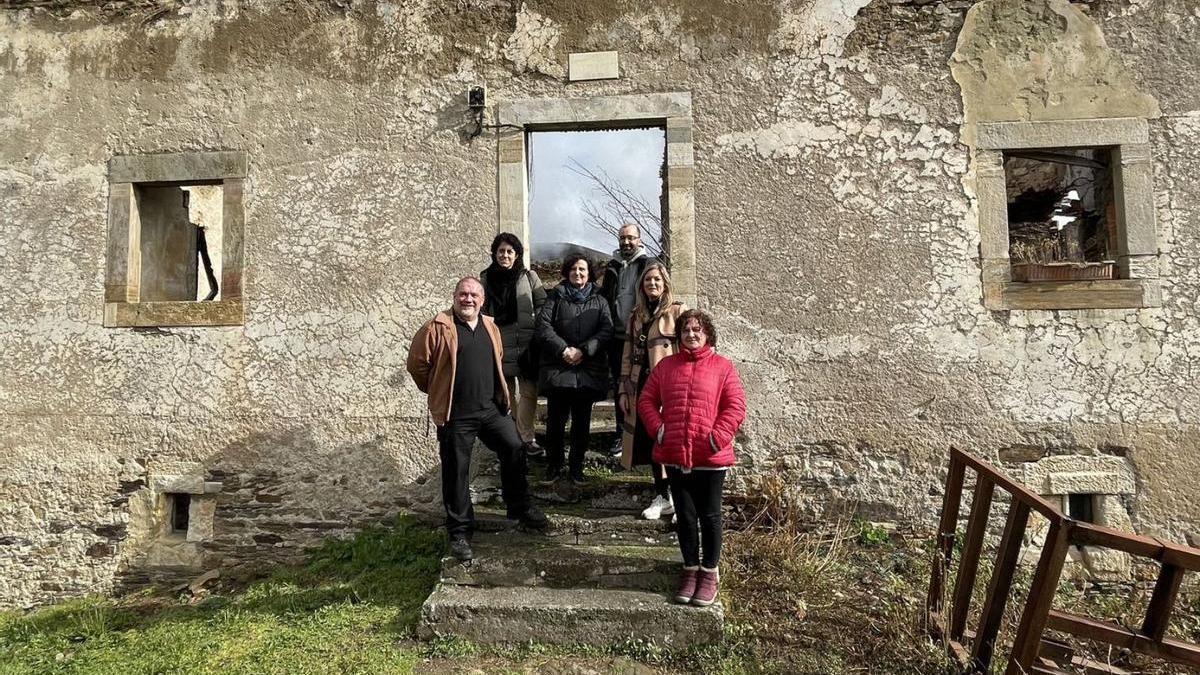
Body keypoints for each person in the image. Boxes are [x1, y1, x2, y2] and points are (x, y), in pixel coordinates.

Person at [406, 276, 547, 562]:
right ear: (454, 297)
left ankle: (518, 505)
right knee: (457, 470)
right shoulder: (439, 326)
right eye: (463, 294)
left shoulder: (490, 326)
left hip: (489, 410)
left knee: (514, 446)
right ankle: (459, 531)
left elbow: (496, 361)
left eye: (473, 295)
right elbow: (416, 364)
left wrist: (502, 398)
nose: (467, 299)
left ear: (481, 300)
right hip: (456, 414)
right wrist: (437, 390)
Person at [638, 309, 746, 607]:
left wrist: (716, 438)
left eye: (697, 329)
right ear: (679, 335)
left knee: (710, 517)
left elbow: (735, 406)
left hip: (710, 457)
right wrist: (658, 430)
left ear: (707, 334)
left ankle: (709, 573)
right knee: (685, 517)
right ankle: (689, 570)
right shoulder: (666, 367)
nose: (691, 334)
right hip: (675, 455)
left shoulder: (723, 367)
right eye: (686, 330)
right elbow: (646, 400)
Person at [535, 254, 613, 483]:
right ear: (567, 272)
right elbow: (543, 326)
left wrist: (584, 350)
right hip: (559, 368)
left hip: (588, 368)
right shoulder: (556, 297)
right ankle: (554, 465)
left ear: (589, 274)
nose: (578, 273)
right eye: (574, 269)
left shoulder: (600, 300)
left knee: (582, 424)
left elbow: (606, 330)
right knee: (555, 423)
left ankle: (576, 467)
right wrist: (564, 350)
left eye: (582, 270)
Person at [617, 262, 685, 520]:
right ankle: (662, 495)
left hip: (670, 388)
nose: (652, 284)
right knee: (652, 442)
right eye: (648, 281)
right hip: (642, 387)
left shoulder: (677, 312)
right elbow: (626, 355)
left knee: (674, 440)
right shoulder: (636, 316)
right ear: (641, 286)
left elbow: (689, 347)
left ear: (665, 283)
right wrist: (624, 390)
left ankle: (681, 500)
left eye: (657, 280)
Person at [480, 232, 547, 458]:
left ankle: (527, 437)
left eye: (509, 251)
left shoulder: (529, 277)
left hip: (527, 343)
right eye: (501, 251)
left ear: (516, 254)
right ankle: (513, 436)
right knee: (505, 393)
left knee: (529, 391)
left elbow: (543, 305)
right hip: (499, 340)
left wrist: (540, 333)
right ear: (494, 253)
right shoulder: (486, 279)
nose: (505, 255)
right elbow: (481, 311)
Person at [600, 223, 658, 456]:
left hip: (642, 336)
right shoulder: (613, 267)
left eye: (630, 238)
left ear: (639, 240)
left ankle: (646, 437)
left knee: (646, 386)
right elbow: (605, 300)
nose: (626, 242)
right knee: (620, 387)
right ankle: (621, 434)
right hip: (616, 337)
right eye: (622, 238)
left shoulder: (649, 265)